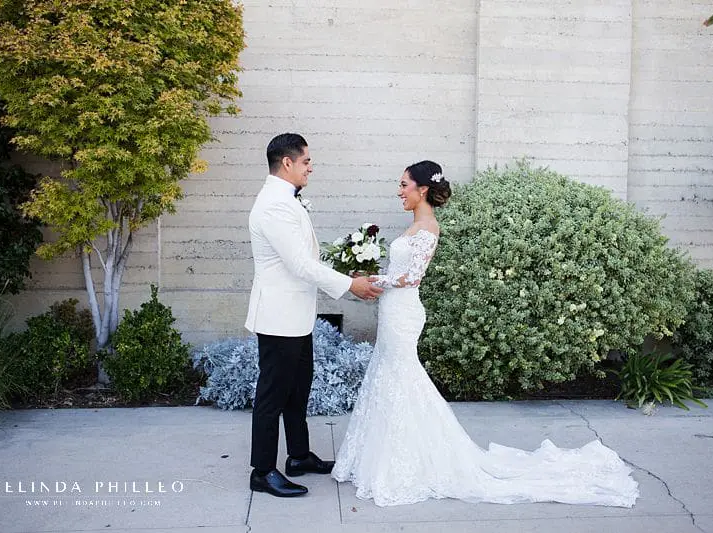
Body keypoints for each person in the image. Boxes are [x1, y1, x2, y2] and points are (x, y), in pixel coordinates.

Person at [331, 160, 639, 508]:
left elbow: (412, 278)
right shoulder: (413, 226)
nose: (399, 191)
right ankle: (387, 455)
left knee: (403, 378)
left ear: (423, 190)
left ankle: (420, 457)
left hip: (404, 313)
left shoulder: (428, 227)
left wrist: (374, 282)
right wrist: (370, 273)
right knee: (389, 377)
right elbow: (399, 271)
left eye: (404, 185)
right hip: (392, 311)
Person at [245, 133, 383, 498]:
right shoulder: (273, 205)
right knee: (272, 396)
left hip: (296, 316)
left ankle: (299, 456)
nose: (311, 167)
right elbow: (300, 264)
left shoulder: (286, 200)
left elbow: (306, 259)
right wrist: (348, 287)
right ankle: (261, 471)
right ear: (287, 163)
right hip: (278, 317)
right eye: (306, 161)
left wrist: (345, 275)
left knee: (298, 390)